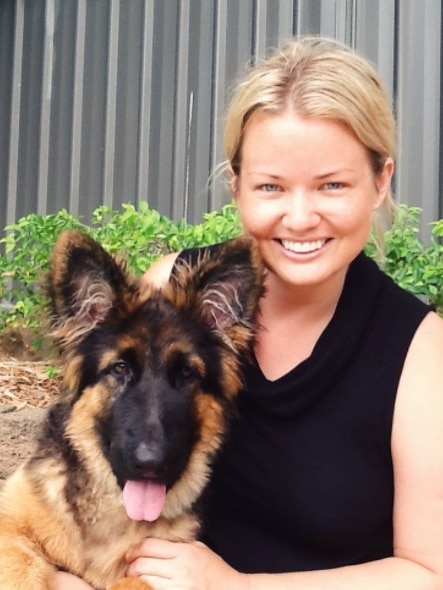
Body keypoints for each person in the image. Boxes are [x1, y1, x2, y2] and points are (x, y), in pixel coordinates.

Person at [53, 36, 443, 590]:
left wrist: (239, 586)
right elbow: (87, 455)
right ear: (236, 187)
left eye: (332, 184)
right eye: (270, 186)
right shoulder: (166, 295)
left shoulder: (420, 355)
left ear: (380, 182)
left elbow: (430, 572)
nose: (300, 217)